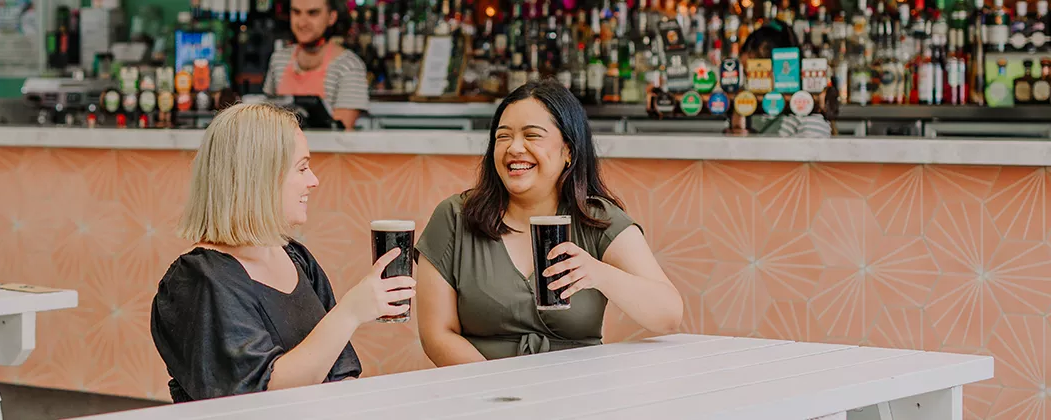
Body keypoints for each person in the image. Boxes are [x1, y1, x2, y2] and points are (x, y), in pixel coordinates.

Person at [150, 103, 413, 402]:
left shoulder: (295, 257)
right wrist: (350, 312)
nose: (313, 180)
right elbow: (258, 398)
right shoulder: (199, 280)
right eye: (301, 168)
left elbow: (340, 373)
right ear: (257, 178)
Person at [415, 80, 683, 367]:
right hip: (483, 396)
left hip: (576, 392)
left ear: (568, 150)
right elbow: (437, 334)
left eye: (532, 135)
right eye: (503, 137)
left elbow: (668, 316)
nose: (515, 148)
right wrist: (504, 391)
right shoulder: (455, 217)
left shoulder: (596, 219)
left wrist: (598, 274)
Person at [263, 0, 370, 130]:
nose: (302, 23)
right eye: (296, 12)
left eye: (313, 13)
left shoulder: (349, 66)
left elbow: (340, 135)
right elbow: (266, 120)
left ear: (331, 17)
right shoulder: (278, 60)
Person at [732, 23, 837, 137]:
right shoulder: (749, 113)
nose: (747, 83)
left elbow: (813, 152)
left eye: (754, 73)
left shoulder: (807, 118)